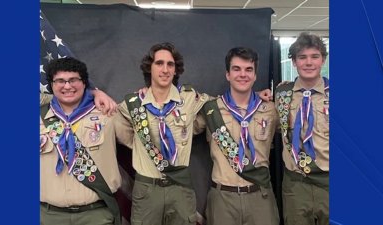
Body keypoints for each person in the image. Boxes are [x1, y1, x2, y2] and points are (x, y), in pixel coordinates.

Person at [116, 42, 210, 225]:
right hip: (147, 189)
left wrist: (259, 95)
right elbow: (121, 131)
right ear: (149, 68)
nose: (165, 69)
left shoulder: (189, 98)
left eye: (170, 64)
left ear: (176, 70)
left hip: (180, 188)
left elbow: (225, 106)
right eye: (159, 63)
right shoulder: (133, 104)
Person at [40, 57, 132, 225]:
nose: (67, 86)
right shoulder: (38, 118)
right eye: (60, 81)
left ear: (84, 83)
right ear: (52, 85)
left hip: (95, 215)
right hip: (49, 216)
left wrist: (96, 93)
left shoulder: (108, 114)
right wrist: (95, 93)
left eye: (73, 80)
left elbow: (140, 139)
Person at [196, 47, 280, 225]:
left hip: (260, 197)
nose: (243, 74)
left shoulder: (271, 110)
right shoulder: (211, 110)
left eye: (248, 69)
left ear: (255, 75)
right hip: (223, 199)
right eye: (236, 69)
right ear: (227, 74)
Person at [275, 32, 329, 225]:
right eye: (302, 57)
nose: (308, 62)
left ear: (323, 60)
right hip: (296, 184)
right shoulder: (281, 93)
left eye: (314, 56)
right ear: (294, 62)